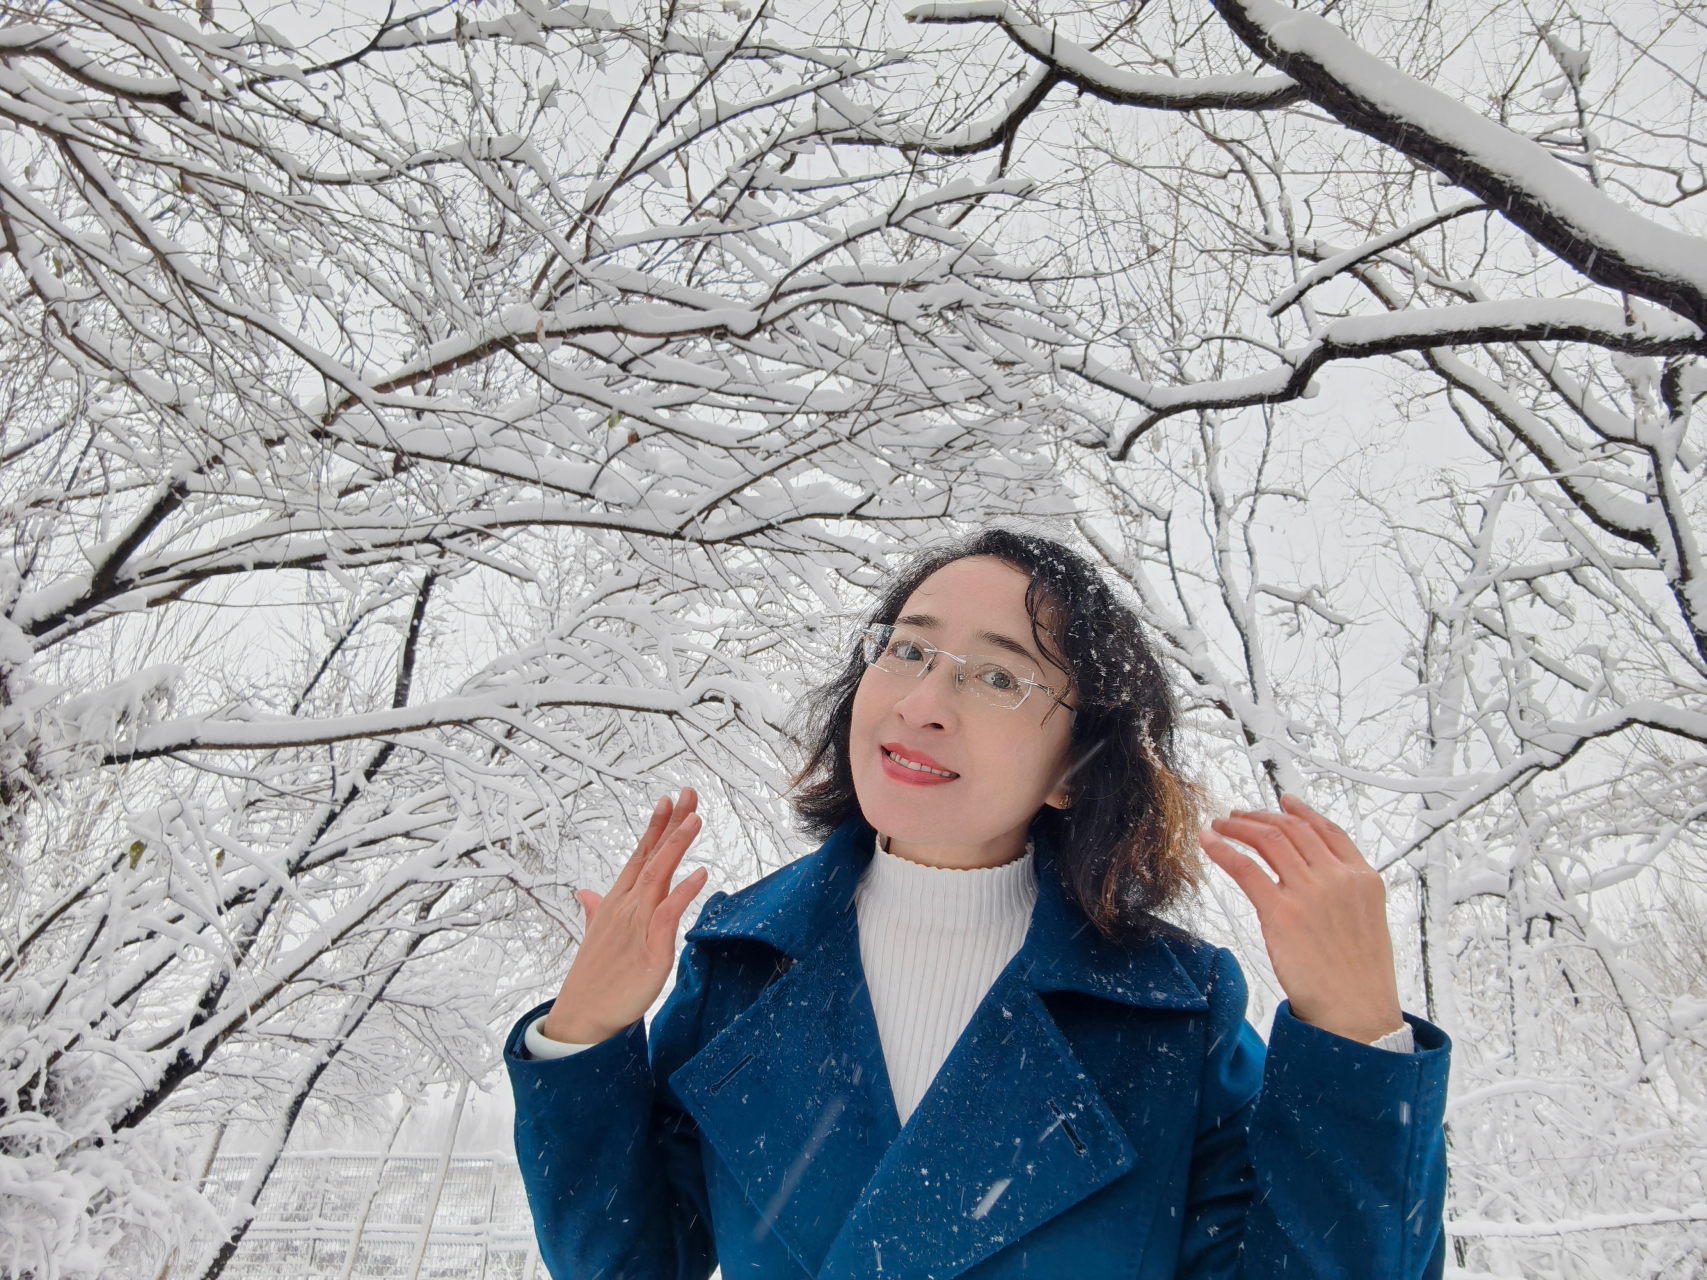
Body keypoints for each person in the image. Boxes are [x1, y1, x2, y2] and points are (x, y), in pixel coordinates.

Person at [505, 529, 1450, 1279]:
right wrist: (582, 1032)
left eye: (997, 675)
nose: (922, 702)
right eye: (909, 650)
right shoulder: (743, 967)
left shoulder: (1166, 1013)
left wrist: (1355, 1035)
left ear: (1075, 772)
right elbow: (627, 1264)